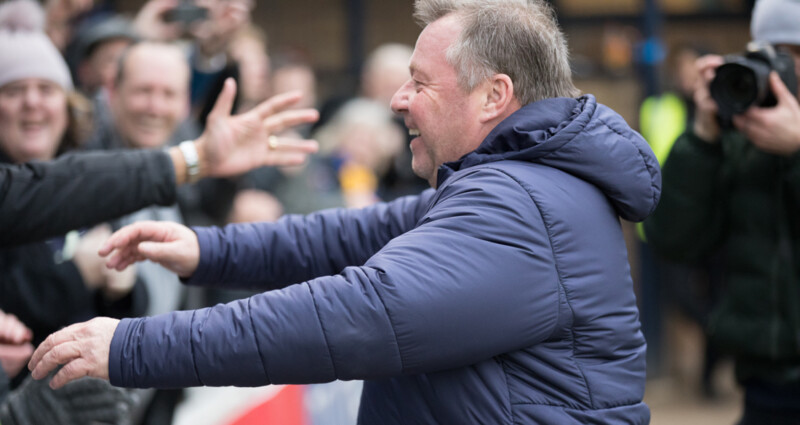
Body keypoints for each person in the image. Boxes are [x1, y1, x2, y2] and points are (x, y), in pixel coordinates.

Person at [29, 1, 660, 423]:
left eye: (420, 82)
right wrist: (209, 249)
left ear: (494, 96)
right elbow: (360, 233)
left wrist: (135, 345)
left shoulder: (519, 205)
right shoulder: (517, 186)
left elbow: (358, 315)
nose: (398, 99)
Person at [644, 0, 800, 423]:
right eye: (776, 55)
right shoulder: (740, 137)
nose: (788, 68)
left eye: (798, 53)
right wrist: (703, 138)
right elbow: (672, 239)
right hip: (765, 385)